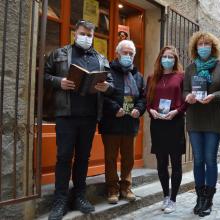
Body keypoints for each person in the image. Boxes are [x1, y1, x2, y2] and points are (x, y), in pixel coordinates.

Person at [44, 20, 113, 220]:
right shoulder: (60, 54)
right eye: (82, 33)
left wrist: (106, 87)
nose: (86, 37)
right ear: (75, 33)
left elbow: (111, 85)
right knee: (64, 157)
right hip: (66, 115)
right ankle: (60, 201)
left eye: (90, 35)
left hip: (90, 117)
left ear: (93, 36)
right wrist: (59, 82)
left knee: (83, 158)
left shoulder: (100, 59)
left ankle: (80, 196)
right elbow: (44, 76)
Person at [183, 31, 220, 217]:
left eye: (207, 44)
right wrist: (188, 96)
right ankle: (199, 197)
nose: (203, 47)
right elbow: (184, 91)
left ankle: (209, 198)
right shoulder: (190, 68)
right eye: (200, 44)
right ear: (195, 48)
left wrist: (214, 96)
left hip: (213, 118)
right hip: (195, 118)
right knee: (198, 159)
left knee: (210, 158)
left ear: (213, 47)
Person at [98, 40, 146, 204]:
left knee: (128, 159)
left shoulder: (138, 76)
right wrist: (114, 108)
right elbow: (101, 96)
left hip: (129, 124)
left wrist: (138, 110)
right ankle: (112, 189)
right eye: (125, 53)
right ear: (117, 54)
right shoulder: (107, 72)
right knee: (110, 158)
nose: (128, 56)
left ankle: (126, 187)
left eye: (131, 54)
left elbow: (143, 98)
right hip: (111, 123)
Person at [146, 46, 187, 214]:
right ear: (160, 58)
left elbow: (187, 100)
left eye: (171, 56)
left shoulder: (181, 77)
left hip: (175, 123)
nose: (167, 59)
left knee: (176, 163)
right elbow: (147, 100)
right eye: (165, 56)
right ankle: (165, 195)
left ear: (175, 59)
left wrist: (176, 111)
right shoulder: (152, 78)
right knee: (161, 163)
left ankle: (173, 199)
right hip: (158, 124)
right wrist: (151, 111)